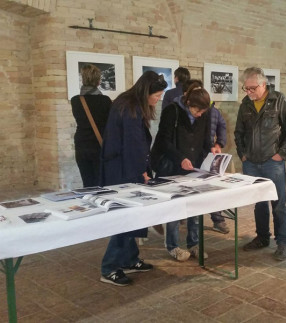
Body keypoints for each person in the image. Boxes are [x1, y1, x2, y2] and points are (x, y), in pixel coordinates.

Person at [99, 71, 167, 286]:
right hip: (123, 171)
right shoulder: (130, 108)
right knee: (125, 218)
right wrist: (141, 173)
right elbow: (133, 146)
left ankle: (129, 259)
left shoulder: (128, 102)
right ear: (146, 91)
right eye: (156, 95)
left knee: (133, 216)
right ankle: (109, 268)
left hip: (121, 167)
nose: (158, 99)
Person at [234, 67, 286, 261]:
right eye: (246, 89)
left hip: (273, 162)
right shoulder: (245, 105)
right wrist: (243, 155)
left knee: (278, 203)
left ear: (263, 84)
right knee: (259, 203)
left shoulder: (279, 100)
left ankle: (282, 242)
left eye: (252, 88)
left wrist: (281, 155)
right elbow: (238, 133)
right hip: (251, 163)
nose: (249, 92)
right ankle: (262, 237)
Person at [151, 82, 214, 262]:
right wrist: (180, 158)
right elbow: (164, 140)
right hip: (171, 166)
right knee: (174, 208)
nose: (200, 114)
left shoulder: (205, 112)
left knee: (195, 205)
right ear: (188, 104)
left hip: (193, 167)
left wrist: (210, 158)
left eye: (203, 112)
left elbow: (205, 140)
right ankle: (173, 246)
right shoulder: (172, 111)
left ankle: (194, 243)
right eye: (197, 111)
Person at [182, 79, 230, 234]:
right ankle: (191, 222)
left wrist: (219, 144)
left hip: (208, 153)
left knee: (212, 188)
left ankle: (218, 219)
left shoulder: (213, 111)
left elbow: (222, 125)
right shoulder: (184, 112)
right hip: (192, 154)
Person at [71, 64, 112, 187]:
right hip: (99, 145)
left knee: (87, 183)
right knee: (101, 183)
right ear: (99, 81)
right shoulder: (105, 101)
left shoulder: (75, 100)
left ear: (83, 80)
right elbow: (109, 124)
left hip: (81, 145)